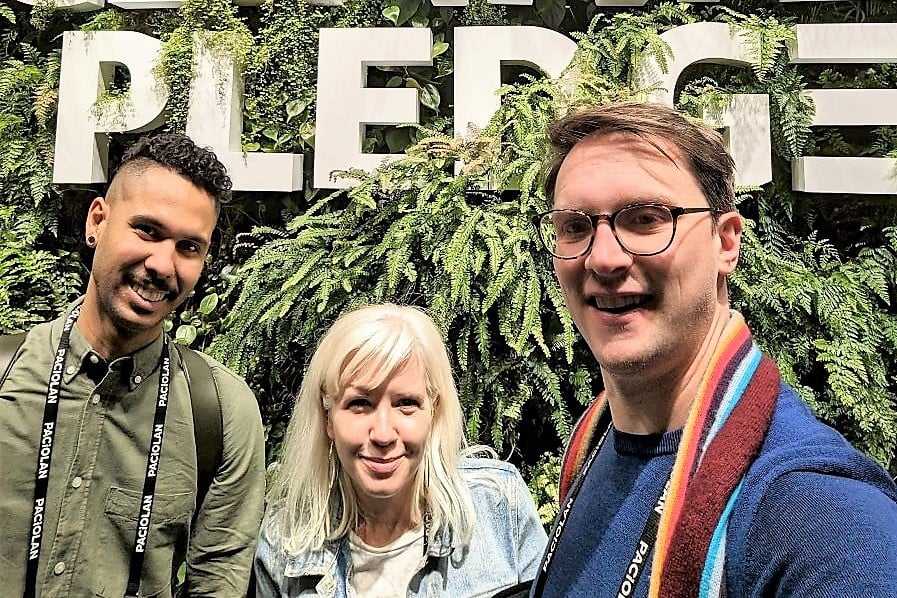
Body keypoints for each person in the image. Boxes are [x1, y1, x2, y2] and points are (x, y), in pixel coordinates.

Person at [528, 102, 897, 597]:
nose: (604, 257)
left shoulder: (819, 515)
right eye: (575, 226)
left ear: (726, 243)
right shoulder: (595, 443)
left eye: (644, 219)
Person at [0, 133, 265, 597]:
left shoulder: (220, 414)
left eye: (189, 247)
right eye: (147, 230)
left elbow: (218, 584)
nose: (163, 263)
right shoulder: (8, 376)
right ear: (97, 221)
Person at [255, 303, 547, 597]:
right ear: (327, 417)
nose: (383, 434)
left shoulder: (497, 506)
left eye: (406, 403)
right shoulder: (285, 540)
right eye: (359, 404)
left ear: (434, 411)